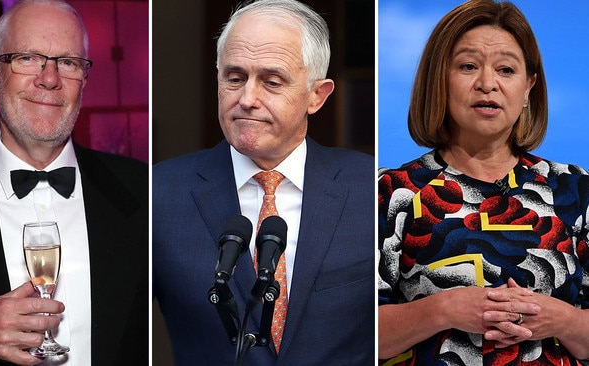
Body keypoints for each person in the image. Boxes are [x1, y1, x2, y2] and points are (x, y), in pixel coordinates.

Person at [152, 0, 374, 364]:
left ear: (316, 96)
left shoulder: (370, 188)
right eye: (235, 78)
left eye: (271, 82)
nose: (247, 99)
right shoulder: (159, 194)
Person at [378, 0, 589, 364]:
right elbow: (349, 336)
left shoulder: (576, 188)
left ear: (528, 88)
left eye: (506, 69)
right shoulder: (391, 192)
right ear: (439, 80)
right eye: (468, 66)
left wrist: (564, 320)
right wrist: (442, 309)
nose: (487, 84)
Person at [0, 0, 148, 365]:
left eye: (67, 63)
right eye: (27, 58)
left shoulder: (145, 192)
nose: (49, 78)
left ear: (84, 80)